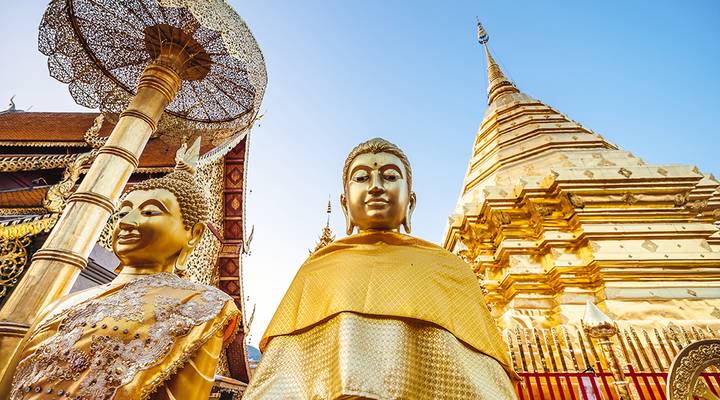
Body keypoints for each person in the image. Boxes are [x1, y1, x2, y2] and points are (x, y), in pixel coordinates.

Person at [244, 138, 518, 399]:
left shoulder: (449, 270)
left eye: (389, 176)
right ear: (345, 205)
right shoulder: (318, 270)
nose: (375, 186)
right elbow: (283, 378)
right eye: (362, 178)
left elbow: (478, 381)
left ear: (410, 202)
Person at [4, 139, 239, 400]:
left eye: (150, 212)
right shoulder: (60, 305)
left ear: (193, 235)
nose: (126, 222)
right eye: (122, 213)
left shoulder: (203, 305)